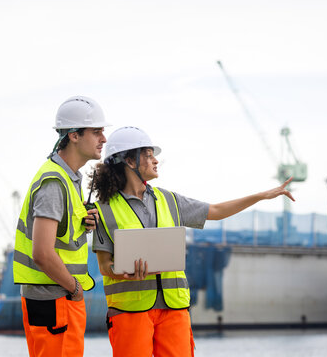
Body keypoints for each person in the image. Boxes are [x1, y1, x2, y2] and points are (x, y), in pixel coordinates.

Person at [91, 126, 294, 357]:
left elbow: (215, 210)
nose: (156, 160)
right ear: (129, 160)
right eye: (148, 155)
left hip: (174, 309)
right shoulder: (102, 210)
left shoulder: (170, 200)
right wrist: (122, 273)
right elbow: (104, 266)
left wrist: (260, 196)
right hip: (130, 312)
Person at [13, 96, 110, 357]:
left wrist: (82, 222)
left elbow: (59, 237)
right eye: (97, 131)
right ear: (74, 136)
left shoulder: (67, 178)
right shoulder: (55, 182)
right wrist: (75, 288)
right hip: (57, 300)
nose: (103, 138)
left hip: (54, 299)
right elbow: (42, 253)